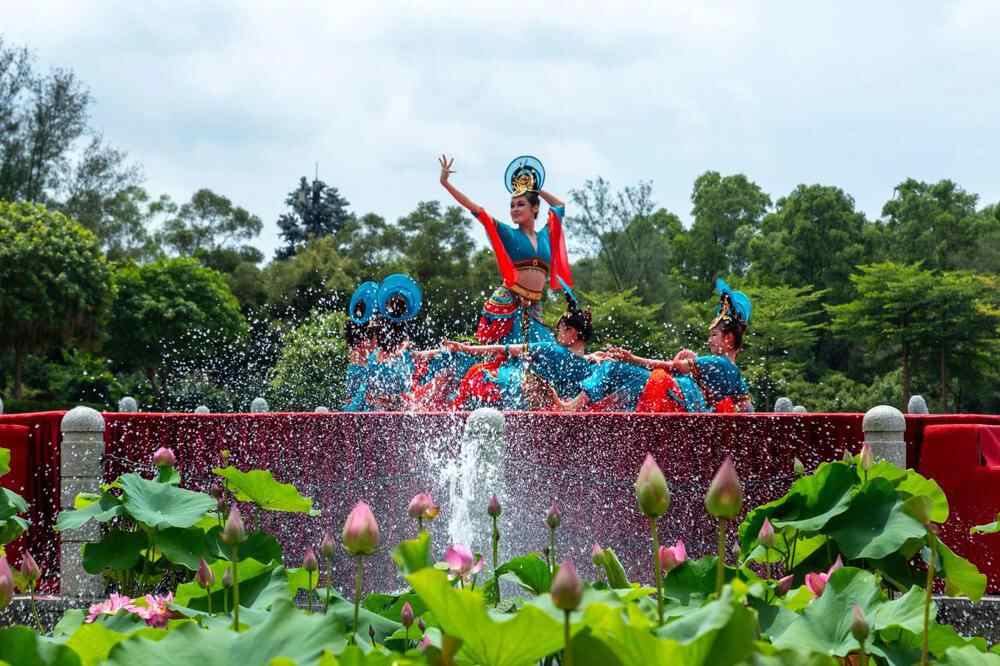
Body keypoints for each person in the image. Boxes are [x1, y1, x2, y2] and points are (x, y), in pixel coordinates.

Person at [438, 154, 573, 344]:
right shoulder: (508, 233)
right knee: (504, 355)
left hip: (534, 305)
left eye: (521, 204)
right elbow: (477, 210)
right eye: (512, 206)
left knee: (540, 353)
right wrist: (446, 183)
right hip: (508, 303)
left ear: (535, 208)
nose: (515, 209)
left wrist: (536, 188)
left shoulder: (545, 235)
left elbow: (559, 206)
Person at [601, 278, 753, 413]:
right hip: (690, 412)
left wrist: (633, 359)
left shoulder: (717, 362)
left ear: (728, 338)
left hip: (672, 400)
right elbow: (747, 408)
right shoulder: (735, 373)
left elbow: (673, 366)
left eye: (714, 335)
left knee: (651, 376)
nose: (709, 340)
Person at [443, 294, 599, 409]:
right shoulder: (589, 368)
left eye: (561, 330)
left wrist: (467, 348)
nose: (558, 334)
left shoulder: (550, 348)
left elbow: (505, 349)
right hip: (556, 409)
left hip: (523, 399)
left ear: (572, 332)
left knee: (477, 372)